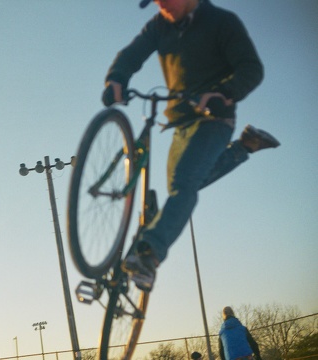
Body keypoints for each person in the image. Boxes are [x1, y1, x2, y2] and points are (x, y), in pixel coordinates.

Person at [102, 0, 280, 292]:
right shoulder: (159, 25)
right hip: (179, 122)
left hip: (213, 120)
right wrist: (117, 79)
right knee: (185, 185)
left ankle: (149, 253)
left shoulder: (222, 21)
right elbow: (132, 54)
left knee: (184, 184)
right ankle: (246, 145)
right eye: (157, 2)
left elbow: (251, 68)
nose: (162, 6)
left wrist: (224, 93)